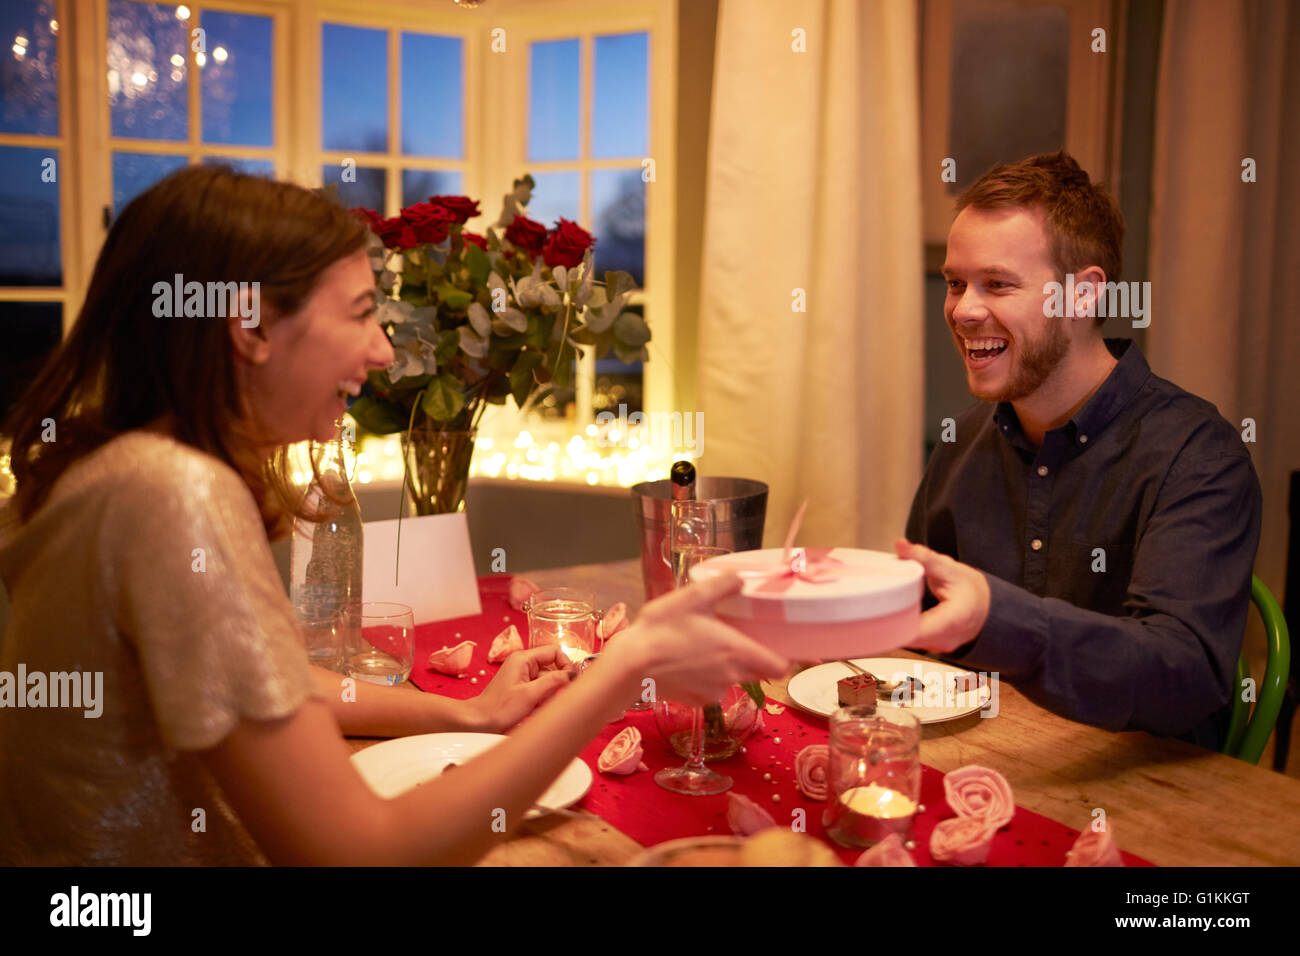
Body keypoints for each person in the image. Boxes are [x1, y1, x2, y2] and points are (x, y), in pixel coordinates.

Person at [0, 166, 788, 865]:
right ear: (248, 328)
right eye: (359, 313)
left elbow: (269, 678)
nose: (383, 351)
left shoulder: (111, 470)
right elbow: (361, 852)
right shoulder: (175, 495)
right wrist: (624, 669)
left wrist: (465, 712)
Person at [894, 151, 1262, 750]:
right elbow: (917, 636)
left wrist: (1001, 620)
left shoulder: (1199, 455)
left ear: (1083, 296)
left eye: (997, 284)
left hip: (1153, 796)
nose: (962, 310)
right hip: (990, 768)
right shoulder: (961, 443)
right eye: (956, 282)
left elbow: (1185, 674)